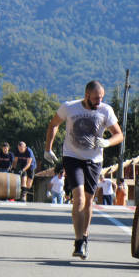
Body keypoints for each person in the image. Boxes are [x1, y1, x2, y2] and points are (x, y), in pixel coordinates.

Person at [43, 80, 124, 259]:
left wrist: (108, 142)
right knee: (78, 197)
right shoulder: (69, 107)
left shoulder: (105, 110)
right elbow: (53, 124)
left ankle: (85, 236)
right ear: (87, 95)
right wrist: (48, 148)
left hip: (94, 160)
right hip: (72, 157)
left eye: (102, 97)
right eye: (96, 98)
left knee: (89, 200)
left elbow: (119, 134)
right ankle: (78, 241)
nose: (99, 101)